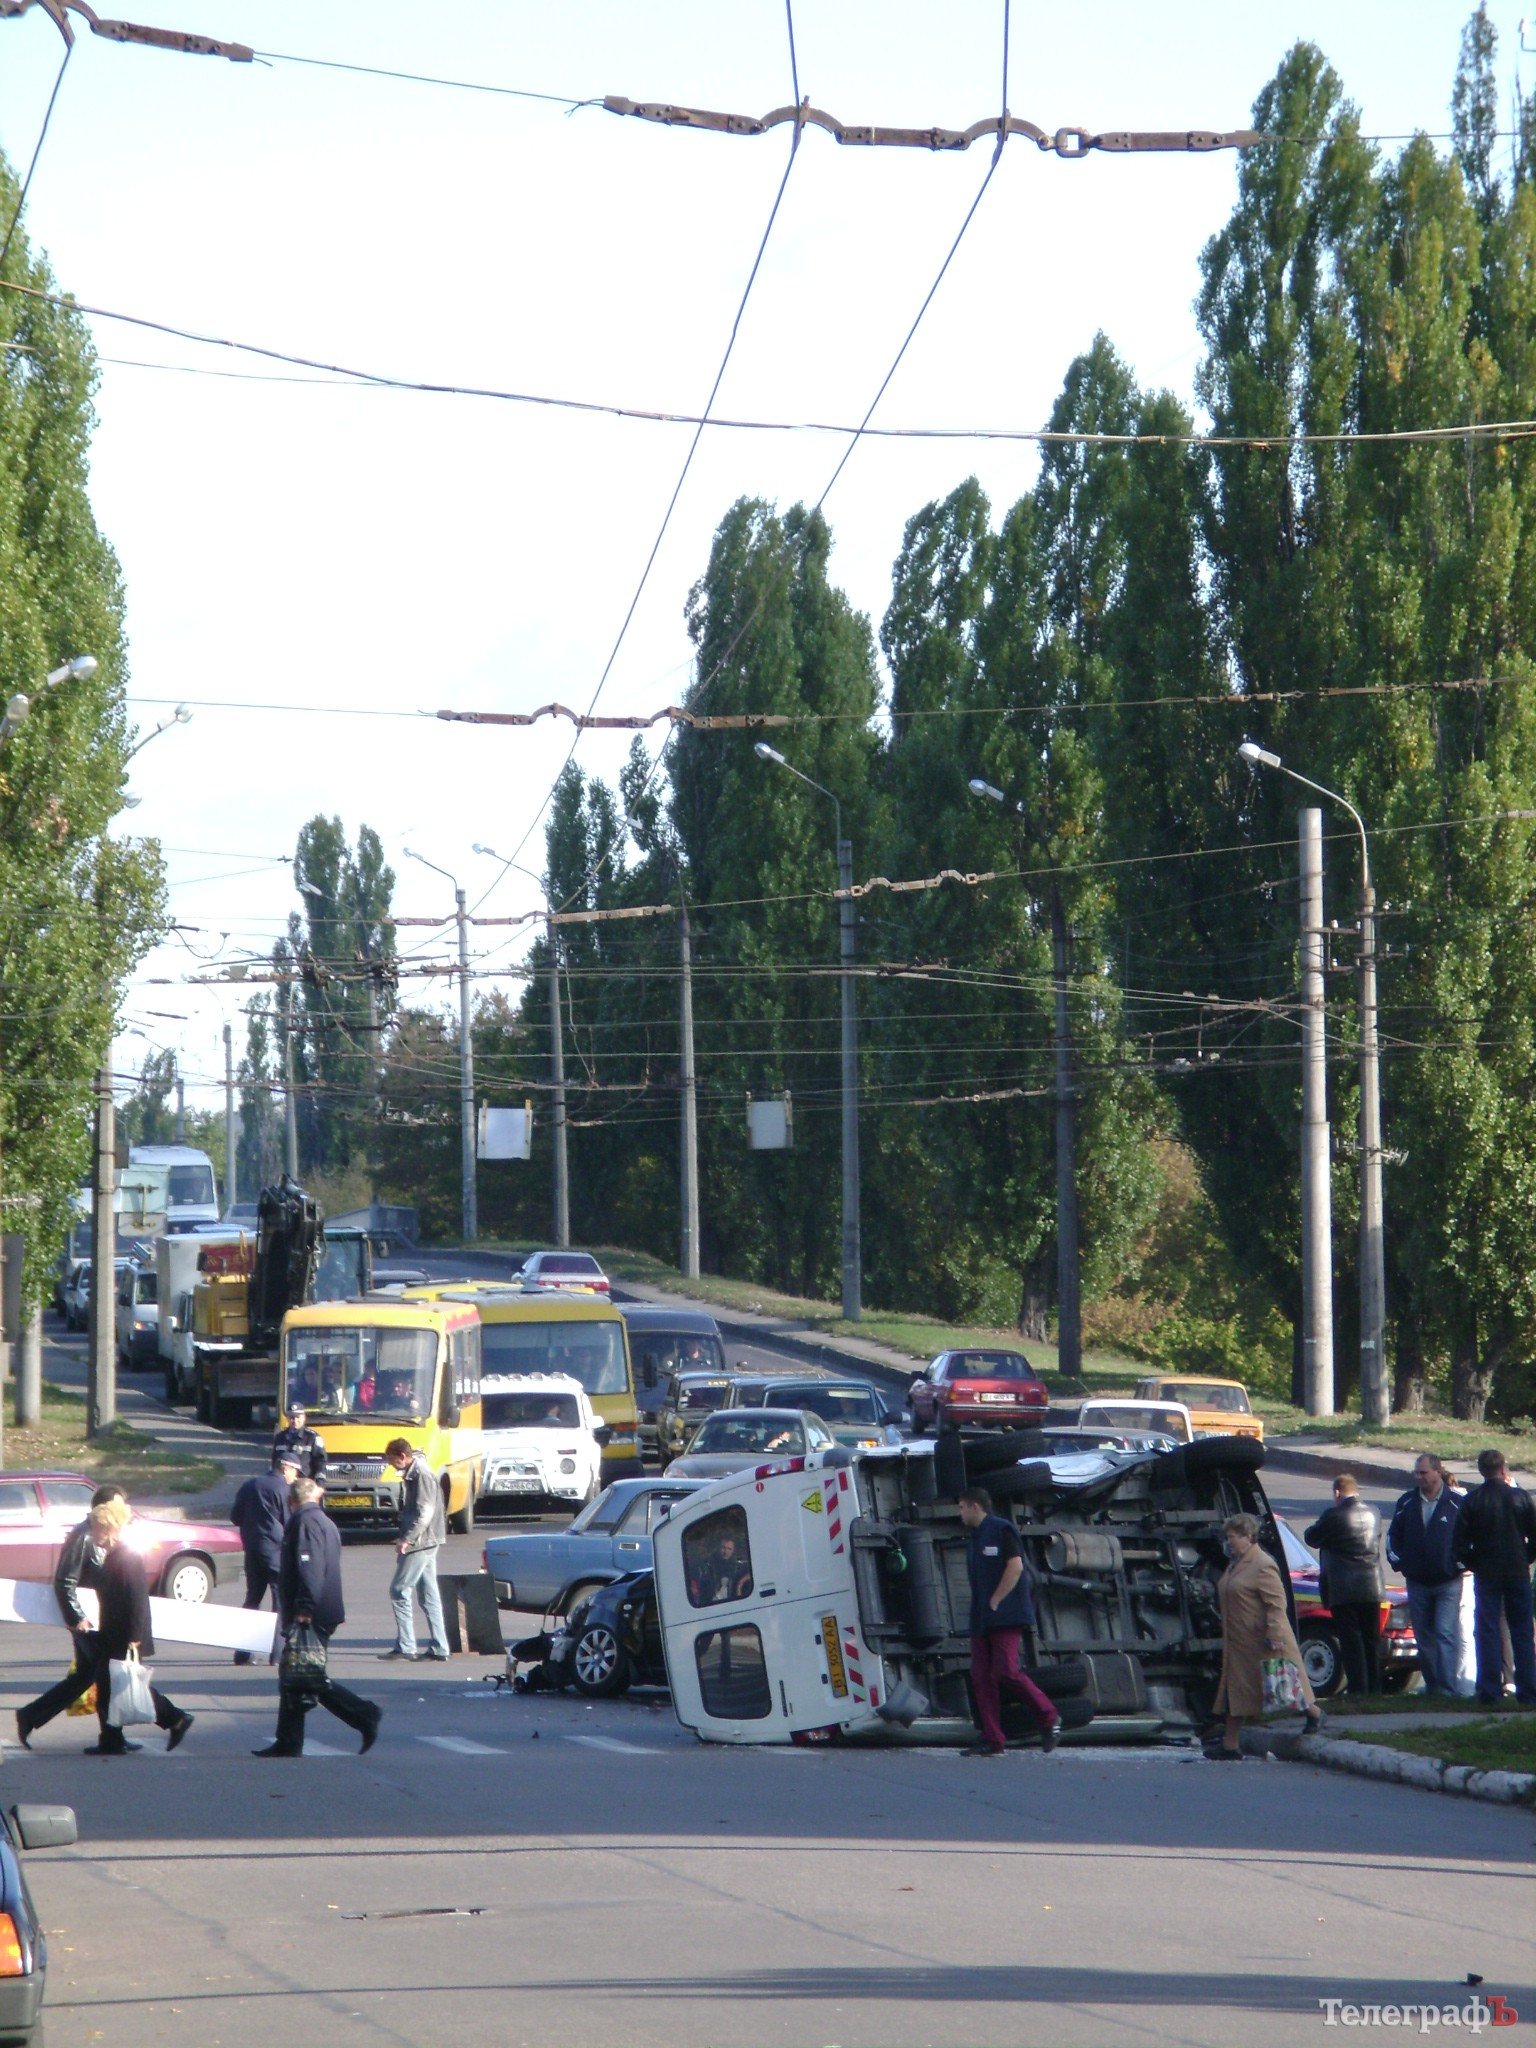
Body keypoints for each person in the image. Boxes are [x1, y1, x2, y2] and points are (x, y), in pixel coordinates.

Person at [255, 1477, 381, 1757]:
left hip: (312, 1612)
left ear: (291, 1501)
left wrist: (304, 1608)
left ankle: (365, 1714)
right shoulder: (322, 1520)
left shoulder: (305, 1523)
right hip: (319, 1608)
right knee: (294, 1675)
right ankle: (288, 1741)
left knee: (306, 1675)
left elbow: (310, 1567)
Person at [15, 1482, 125, 1747]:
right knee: (108, 1673)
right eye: (118, 1505)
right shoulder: (84, 1536)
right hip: (87, 1622)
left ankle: (30, 1716)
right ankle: (166, 1719)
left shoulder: (98, 1534)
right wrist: (77, 1618)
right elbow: (64, 1581)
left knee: (87, 1676)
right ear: (103, 1508)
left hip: (94, 1618)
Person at [957, 1487, 1060, 1758]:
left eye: (962, 1507)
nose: (960, 1513)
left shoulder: (1001, 1529)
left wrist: (996, 1600)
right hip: (981, 1619)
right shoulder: (973, 1539)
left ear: (975, 1506)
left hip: (1006, 1615)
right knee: (981, 1677)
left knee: (1005, 1671)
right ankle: (993, 1739)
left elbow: (1015, 1567)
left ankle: (1049, 1717)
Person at [86, 1498, 193, 1756]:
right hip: (112, 1630)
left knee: (127, 1684)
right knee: (109, 1685)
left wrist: (134, 1636)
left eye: (96, 1528)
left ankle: (175, 1718)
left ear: (109, 1529)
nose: (92, 1533)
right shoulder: (112, 1555)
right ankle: (111, 1740)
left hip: (125, 1634)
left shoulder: (127, 1557)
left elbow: (137, 1599)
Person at [1211, 1513, 1321, 1759]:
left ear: (1247, 1537)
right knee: (1236, 1692)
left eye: (1232, 1537)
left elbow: (1276, 1603)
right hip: (1239, 1641)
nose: (1229, 1542)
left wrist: (1274, 1632)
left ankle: (1313, 1713)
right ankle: (1230, 1745)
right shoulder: (1237, 1562)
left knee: (1286, 1688)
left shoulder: (1262, 1564)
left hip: (1263, 1640)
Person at [1451, 1448, 1536, 1705]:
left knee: (1487, 1630)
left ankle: (1490, 1690)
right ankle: (1529, 1691)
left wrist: (1475, 1563)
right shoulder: (1520, 1497)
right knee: (1521, 1631)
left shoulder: (1473, 1500)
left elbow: (1459, 1544)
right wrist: (1526, 1556)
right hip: (1517, 1570)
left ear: (1481, 1471)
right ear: (1503, 1469)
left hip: (1487, 1573)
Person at [1385, 1453, 1465, 1696]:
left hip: (1447, 1581)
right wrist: (1402, 1564)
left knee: (1444, 1632)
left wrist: (1458, 1564)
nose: (1418, 1477)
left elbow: (1470, 1538)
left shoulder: (1456, 1503)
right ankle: (1433, 1687)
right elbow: (1393, 1537)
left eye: (1423, 1472)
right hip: (1417, 1581)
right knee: (1424, 1636)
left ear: (1437, 1472)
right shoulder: (1407, 1502)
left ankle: (1447, 1689)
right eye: (1416, 1473)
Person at [1304, 1475, 1385, 1696]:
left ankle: (1358, 1689)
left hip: (1345, 1587)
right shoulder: (1374, 1513)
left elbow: (1311, 1537)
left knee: (1351, 1640)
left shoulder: (1334, 1515)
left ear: (1337, 1493)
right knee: (1371, 1638)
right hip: (1372, 1585)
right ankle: (1375, 1688)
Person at [379, 1438, 448, 1661]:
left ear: (403, 1456)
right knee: (429, 1595)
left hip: (421, 1542)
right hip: (428, 1540)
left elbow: (424, 1513)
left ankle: (406, 1645)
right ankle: (439, 1647)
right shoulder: (417, 1472)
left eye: (392, 1460)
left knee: (399, 1589)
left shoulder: (421, 1476)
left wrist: (406, 1539)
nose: (391, 1465)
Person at [229, 1453, 299, 1665]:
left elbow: (235, 1517)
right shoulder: (284, 1490)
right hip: (276, 1551)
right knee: (280, 1603)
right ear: (285, 1468)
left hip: (252, 1550)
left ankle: (243, 1653)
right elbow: (289, 1521)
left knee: (252, 1599)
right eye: (295, 1472)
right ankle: (277, 1654)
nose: (295, 1478)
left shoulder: (250, 1485)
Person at [272, 1406, 326, 1481]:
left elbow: (320, 1461)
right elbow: (274, 1461)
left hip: (304, 1483)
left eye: (298, 1417)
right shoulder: (280, 1437)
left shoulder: (312, 1437)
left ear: (304, 1417)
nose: (295, 1420)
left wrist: (320, 1482)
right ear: (287, 1418)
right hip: (283, 1482)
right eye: (292, 1418)